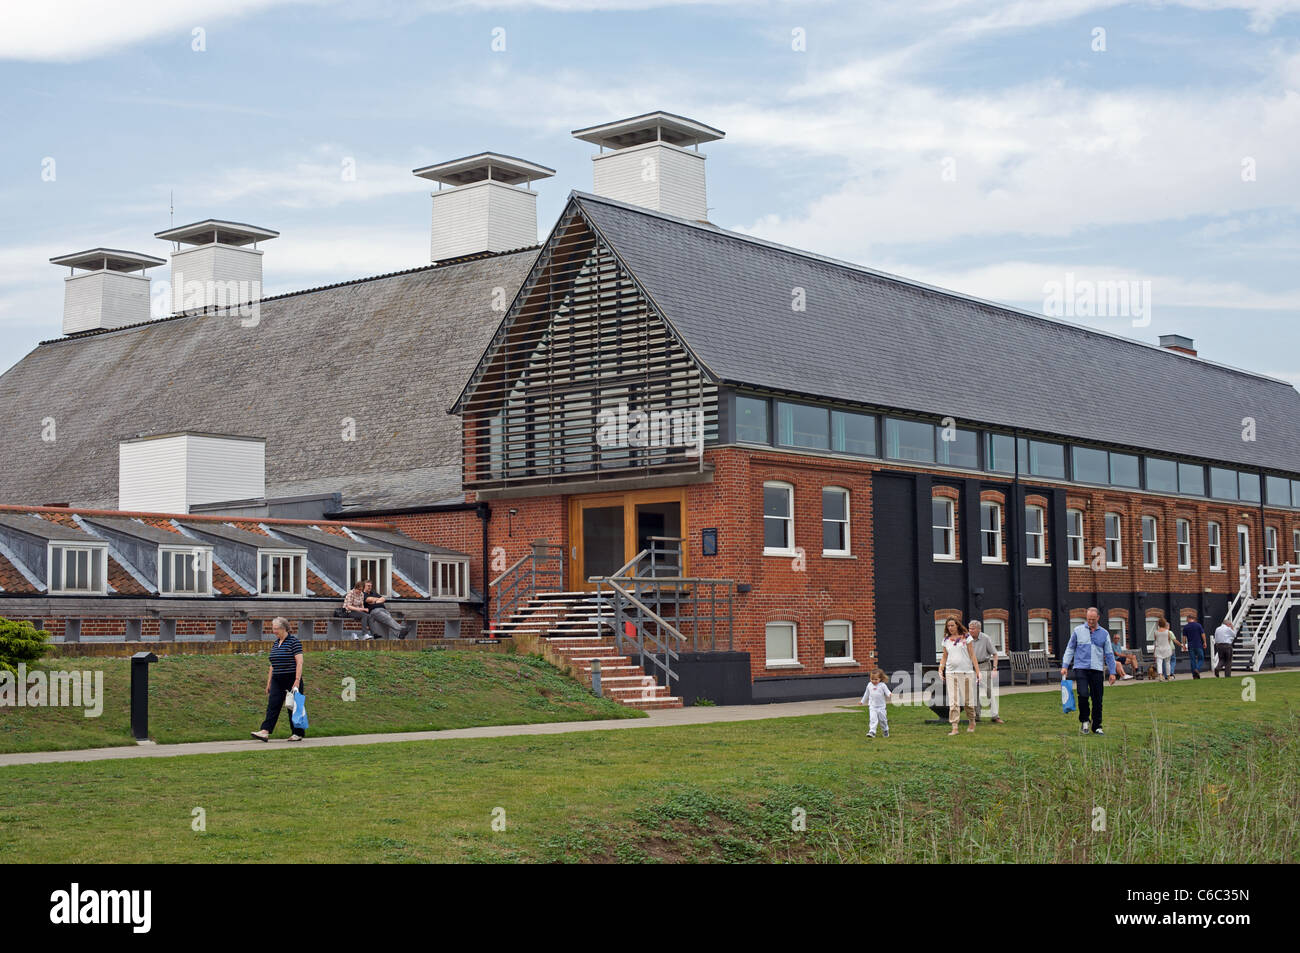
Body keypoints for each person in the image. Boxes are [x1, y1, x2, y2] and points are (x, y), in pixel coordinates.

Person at [1060, 607, 1116, 735]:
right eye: (1088, 619)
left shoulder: (1104, 633)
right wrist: (1065, 666)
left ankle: (1097, 726)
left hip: (1096, 669)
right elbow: (1070, 649)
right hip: (1081, 668)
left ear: (1098, 618)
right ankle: (1085, 721)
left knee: (1097, 699)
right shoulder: (1078, 631)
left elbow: (1109, 653)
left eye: (1093, 619)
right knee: (1083, 694)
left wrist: (1112, 672)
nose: (1090, 621)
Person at [250, 616, 305, 742]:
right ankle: (265, 731)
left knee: (294, 706)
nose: (274, 631)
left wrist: (297, 679)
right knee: (273, 705)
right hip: (277, 679)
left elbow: (300, 662)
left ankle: (298, 733)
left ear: (284, 628)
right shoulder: (276, 643)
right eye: (273, 629)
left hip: (291, 677)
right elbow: (272, 664)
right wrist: (269, 682)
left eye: (276, 629)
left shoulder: (294, 642)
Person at [937, 618, 979, 736]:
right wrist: (941, 668)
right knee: (953, 701)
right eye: (948, 626)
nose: (950, 628)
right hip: (951, 673)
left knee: (967, 701)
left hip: (966, 673)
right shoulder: (946, 640)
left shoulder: (966, 637)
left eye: (952, 625)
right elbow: (944, 656)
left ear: (957, 625)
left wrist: (978, 671)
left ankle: (972, 721)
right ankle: (954, 726)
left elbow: (972, 654)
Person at [969, 620, 1004, 724]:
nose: (970, 630)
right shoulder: (967, 639)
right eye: (969, 628)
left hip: (984, 666)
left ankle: (995, 716)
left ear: (979, 629)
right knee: (974, 693)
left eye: (973, 629)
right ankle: (976, 716)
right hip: (971, 668)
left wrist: (994, 668)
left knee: (989, 692)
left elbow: (995, 654)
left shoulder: (986, 638)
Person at [859, 669, 892, 739]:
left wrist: (889, 694)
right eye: (872, 679)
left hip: (881, 707)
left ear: (880, 679)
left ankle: (885, 730)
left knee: (883, 720)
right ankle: (872, 732)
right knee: (873, 719)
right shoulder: (869, 685)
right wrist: (862, 701)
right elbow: (866, 694)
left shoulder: (882, 685)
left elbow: (887, 692)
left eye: (876, 679)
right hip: (872, 706)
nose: (874, 681)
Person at [1152, 617, 1178, 681]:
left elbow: (1156, 642)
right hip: (1167, 649)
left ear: (1158, 624)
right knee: (1167, 663)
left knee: (1159, 663)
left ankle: (1160, 676)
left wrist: (1154, 651)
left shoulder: (1155, 632)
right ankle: (1169, 676)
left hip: (1158, 649)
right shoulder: (1168, 632)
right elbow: (1169, 641)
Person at [1182, 610, 1206, 679]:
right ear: (1193, 619)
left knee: (1192, 660)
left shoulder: (1186, 627)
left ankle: (1194, 675)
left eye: (1187, 619)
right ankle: (1197, 669)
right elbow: (1203, 634)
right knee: (1201, 658)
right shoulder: (1198, 625)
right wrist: (1204, 642)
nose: (1186, 620)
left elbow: (1184, 637)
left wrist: (1184, 645)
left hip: (1190, 646)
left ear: (1189, 618)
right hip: (1198, 645)